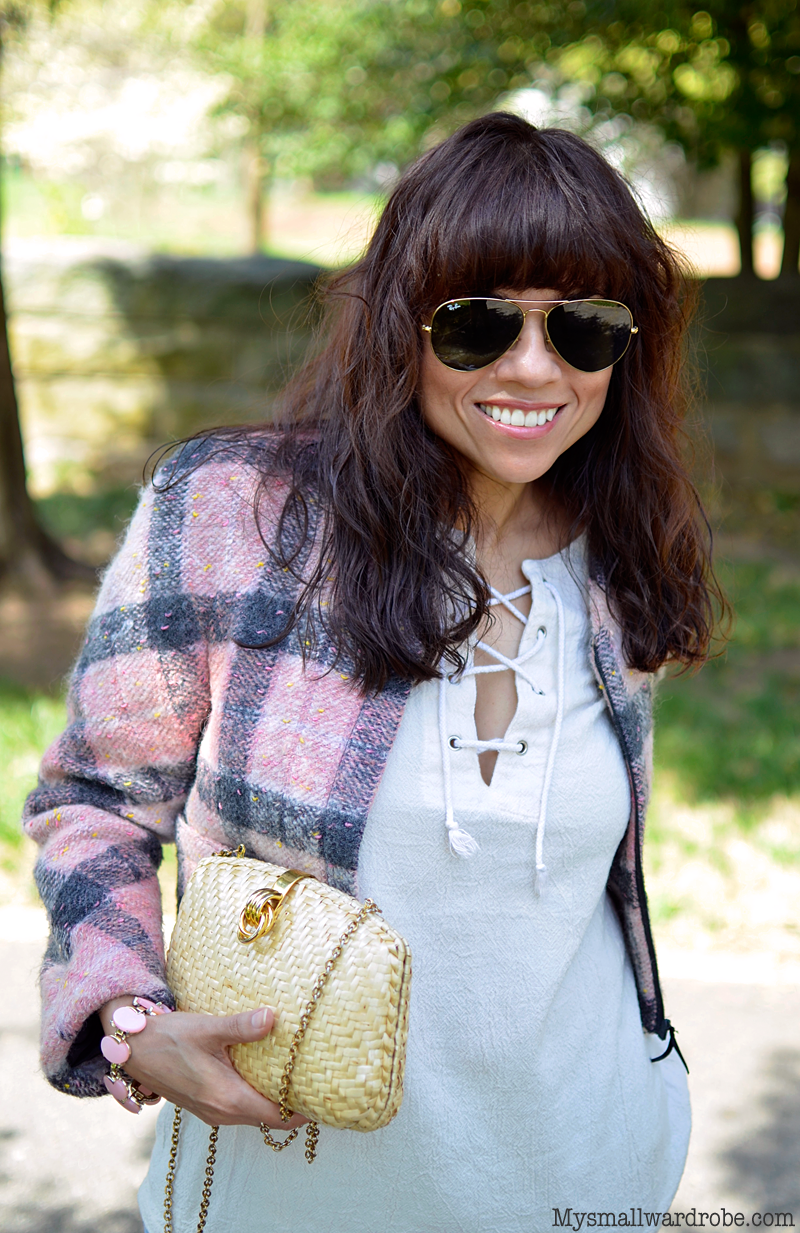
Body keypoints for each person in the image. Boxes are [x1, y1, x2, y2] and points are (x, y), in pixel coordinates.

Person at [24, 112, 724, 1231]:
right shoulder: (235, 516)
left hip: (594, 1179)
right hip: (289, 1199)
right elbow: (95, 801)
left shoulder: (621, 551)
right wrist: (127, 1020)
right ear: (403, 326)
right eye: (478, 323)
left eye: (583, 326)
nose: (533, 366)